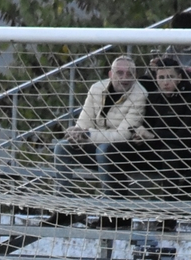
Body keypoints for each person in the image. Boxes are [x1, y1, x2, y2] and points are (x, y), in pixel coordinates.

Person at [53, 55, 148, 201]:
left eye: (130, 74)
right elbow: (84, 122)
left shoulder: (140, 95)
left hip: (124, 151)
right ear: (110, 74)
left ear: (135, 76)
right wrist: (77, 133)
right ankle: (62, 205)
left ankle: (110, 208)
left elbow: (122, 136)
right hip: (96, 143)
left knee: (104, 150)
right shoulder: (96, 88)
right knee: (62, 147)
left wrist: (87, 135)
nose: (125, 78)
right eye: (120, 73)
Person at [130, 58, 191, 200]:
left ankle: (170, 205)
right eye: (161, 78)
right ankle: (115, 205)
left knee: (170, 153)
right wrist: (138, 136)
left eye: (170, 77)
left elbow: (185, 137)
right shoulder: (152, 99)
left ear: (179, 78)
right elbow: (147, 127)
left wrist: (153, 135)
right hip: (155, 150)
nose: (166, 82)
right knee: (115, 149)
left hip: (185, 152)